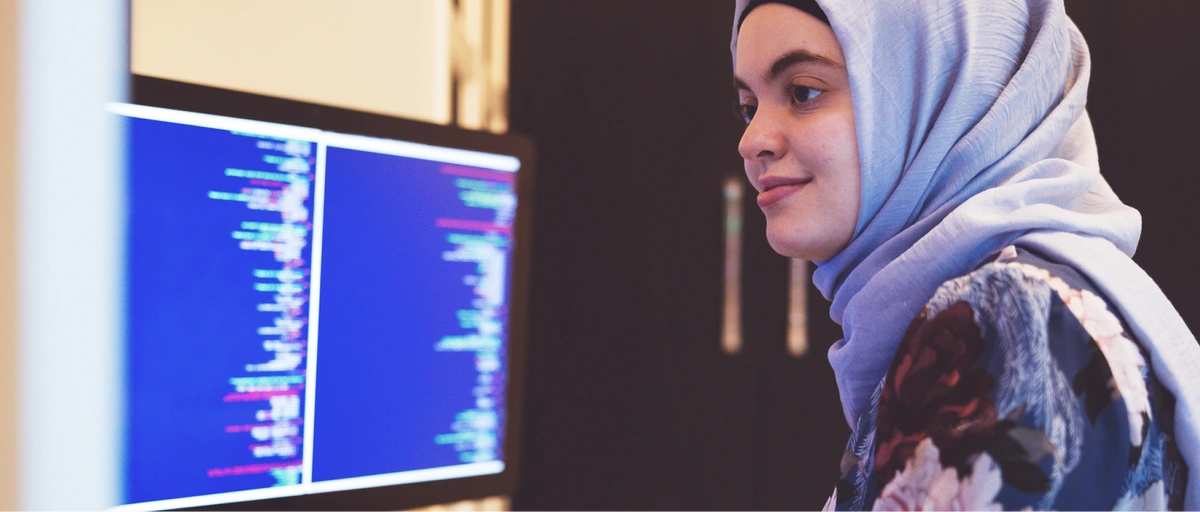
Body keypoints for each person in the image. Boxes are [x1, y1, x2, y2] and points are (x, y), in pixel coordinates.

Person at [730, 0, 1200, 510]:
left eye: (803, 92)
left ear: (946, 93)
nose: (752, 140)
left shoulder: (1009, 316)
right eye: (750, 106)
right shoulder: (1037, 300)